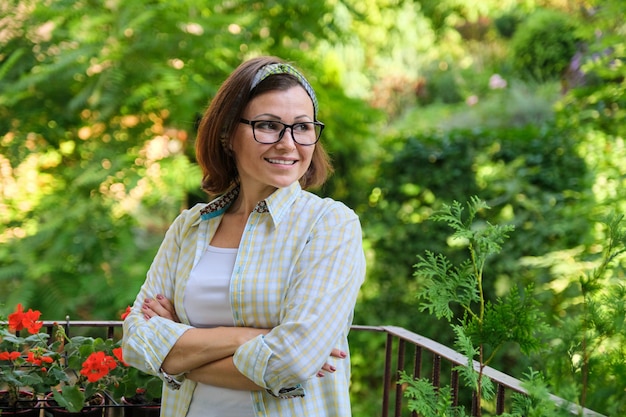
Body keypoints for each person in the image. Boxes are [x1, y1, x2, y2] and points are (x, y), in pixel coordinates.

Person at [122, 56, 366, 417]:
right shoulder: (189, 228)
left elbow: (291, 361)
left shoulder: (330, 225)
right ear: (227, 134)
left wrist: (174, 349)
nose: (288, 144)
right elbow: (136, 342)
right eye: (268, 125)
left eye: (302, 127)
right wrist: (252, 337)